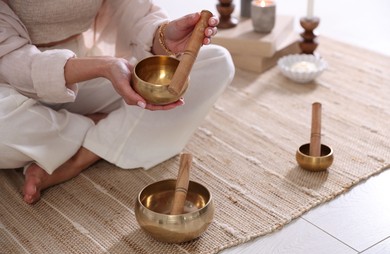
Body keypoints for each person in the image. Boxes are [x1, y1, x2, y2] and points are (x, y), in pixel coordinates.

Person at [0, 0, 235, 204]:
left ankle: (79, 155)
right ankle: (102, 129)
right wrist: (104, 66)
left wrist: (163, 36)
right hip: (12, 88)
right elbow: (15, 63)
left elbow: (133, 11)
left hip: (88, 71)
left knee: (215, 62)